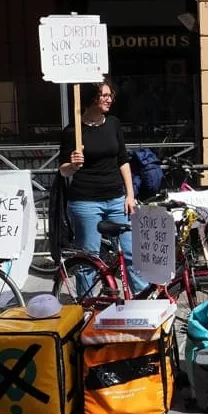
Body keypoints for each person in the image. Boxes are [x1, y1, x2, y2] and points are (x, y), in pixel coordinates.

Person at [57, 80, 145, 295]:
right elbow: (63, 170)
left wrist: (130, 195)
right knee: (90, 257)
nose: (109, 99)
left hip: (117, 199)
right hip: (86, 201)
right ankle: (88, 306)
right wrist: (74, 164)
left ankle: (144, 299)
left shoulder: (114, 124)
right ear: (91, 98)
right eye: (104, 95)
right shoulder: (73, 131)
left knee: (131, 252)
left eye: (110, 95)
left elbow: (123, 160)